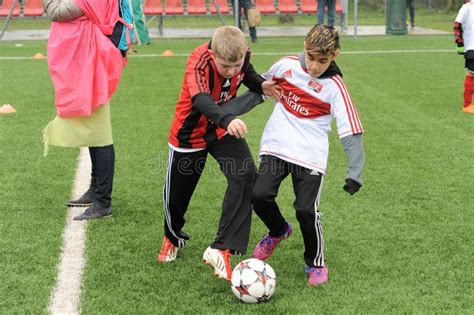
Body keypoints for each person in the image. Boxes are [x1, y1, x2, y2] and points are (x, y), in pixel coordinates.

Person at [156, 26, 280, 281]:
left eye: (236, 64)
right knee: (177, 198)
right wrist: (226, 119)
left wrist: (262, 85)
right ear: (213, 54)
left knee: (245, 176)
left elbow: (247, 74)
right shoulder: (198, 60)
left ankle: (221, 247)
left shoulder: (242, 56)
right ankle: (172, 237)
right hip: (189, 135)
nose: (232, 71)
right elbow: (201, 99)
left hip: (222, 131)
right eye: (226, 66)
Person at [250, 25, 365, 286]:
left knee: (305, 210)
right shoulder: (286, 66)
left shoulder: (336, 87)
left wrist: (354, 170)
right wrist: (227, 112)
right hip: (277, 144)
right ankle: (279, 230)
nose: (314, 66)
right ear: (304, 46)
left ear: (335, 55)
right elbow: (261, 88)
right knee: (258, 196)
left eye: (322, 60)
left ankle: (315, 262)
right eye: (311, 57)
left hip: (310, 153)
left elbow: (351, 129)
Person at [42, 0, 126, 220]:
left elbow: (56, 11)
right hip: (84, 57)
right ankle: (96, 190)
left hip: (92, 58)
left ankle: (102, 202)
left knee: (100, 133)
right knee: (93, 130)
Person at [454, 0, 474, 114]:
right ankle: (467, 105)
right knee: (472, 74)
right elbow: (457, 25)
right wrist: (460, 44)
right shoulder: (466, 8)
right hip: (472, 47)